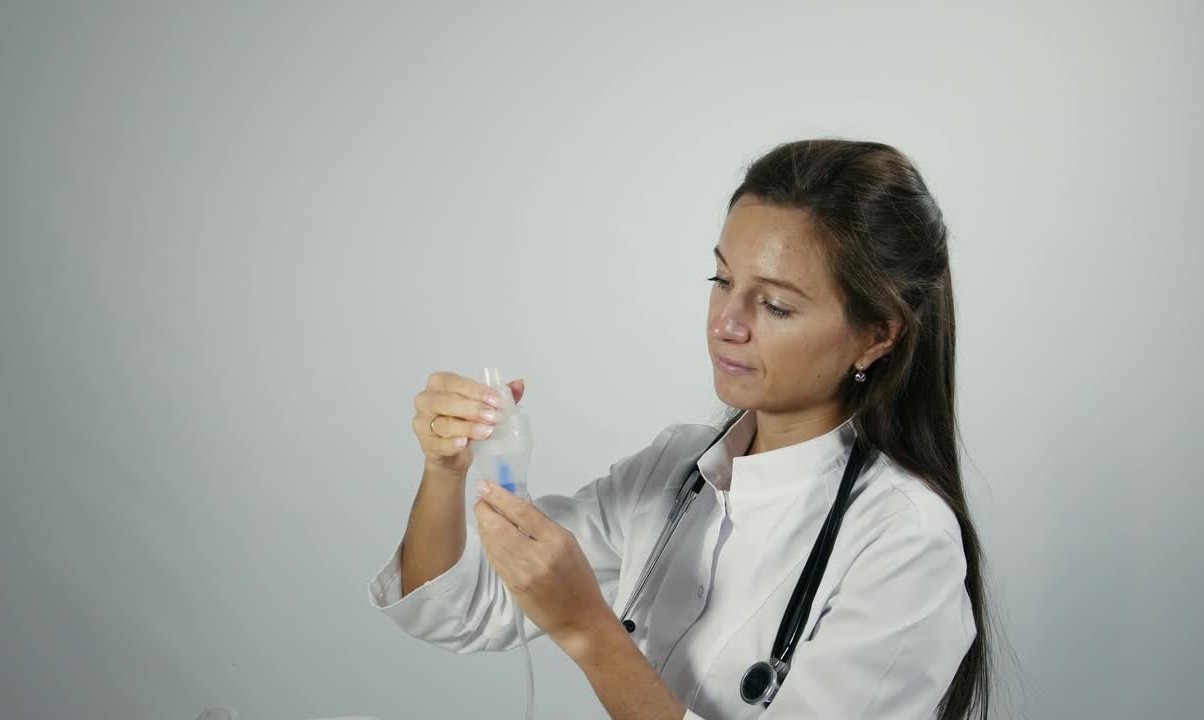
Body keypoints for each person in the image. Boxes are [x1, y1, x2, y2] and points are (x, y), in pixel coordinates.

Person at [367, 139, 990, 719]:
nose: (727, 323)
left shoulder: (906, 542)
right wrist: (445, 472)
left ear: (878, 334)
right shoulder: (676, 469)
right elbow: (460, 610)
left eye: (774, 304)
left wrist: (589, 629)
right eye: (722, 281)